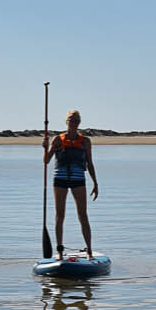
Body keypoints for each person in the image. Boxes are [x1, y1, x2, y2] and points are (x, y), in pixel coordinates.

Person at [43, 110, 98, 257]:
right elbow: (46, 161)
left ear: (79, 122)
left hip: (78, 179)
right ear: (66, 122)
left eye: (76, 120)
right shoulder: (58, 139)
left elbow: (90, 163)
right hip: (59, 179)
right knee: (59, 216)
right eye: (71, 119)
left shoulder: (85, 141)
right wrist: (45, 147)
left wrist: (95, 183)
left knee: (83, 216)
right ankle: (60, 251)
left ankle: (89, 250)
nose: (73, 122)